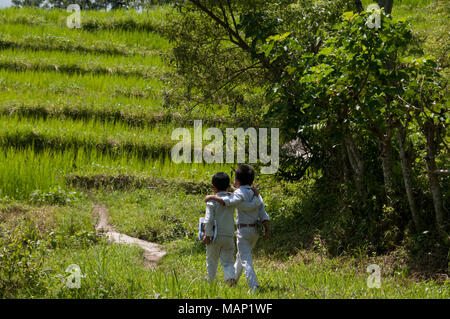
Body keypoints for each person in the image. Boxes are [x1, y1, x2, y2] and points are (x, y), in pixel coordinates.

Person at [205, 164, 270, 292]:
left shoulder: (239, 193)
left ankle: (253, 285)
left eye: (235, 179)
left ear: (238, 181)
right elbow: (264, 214)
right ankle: (233, 279)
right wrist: (267, 230)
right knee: (241, 256)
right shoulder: (256, 194)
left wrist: (212, 197)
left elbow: (227, 202)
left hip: (243, 231)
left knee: (245, 259)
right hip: (255, 231)